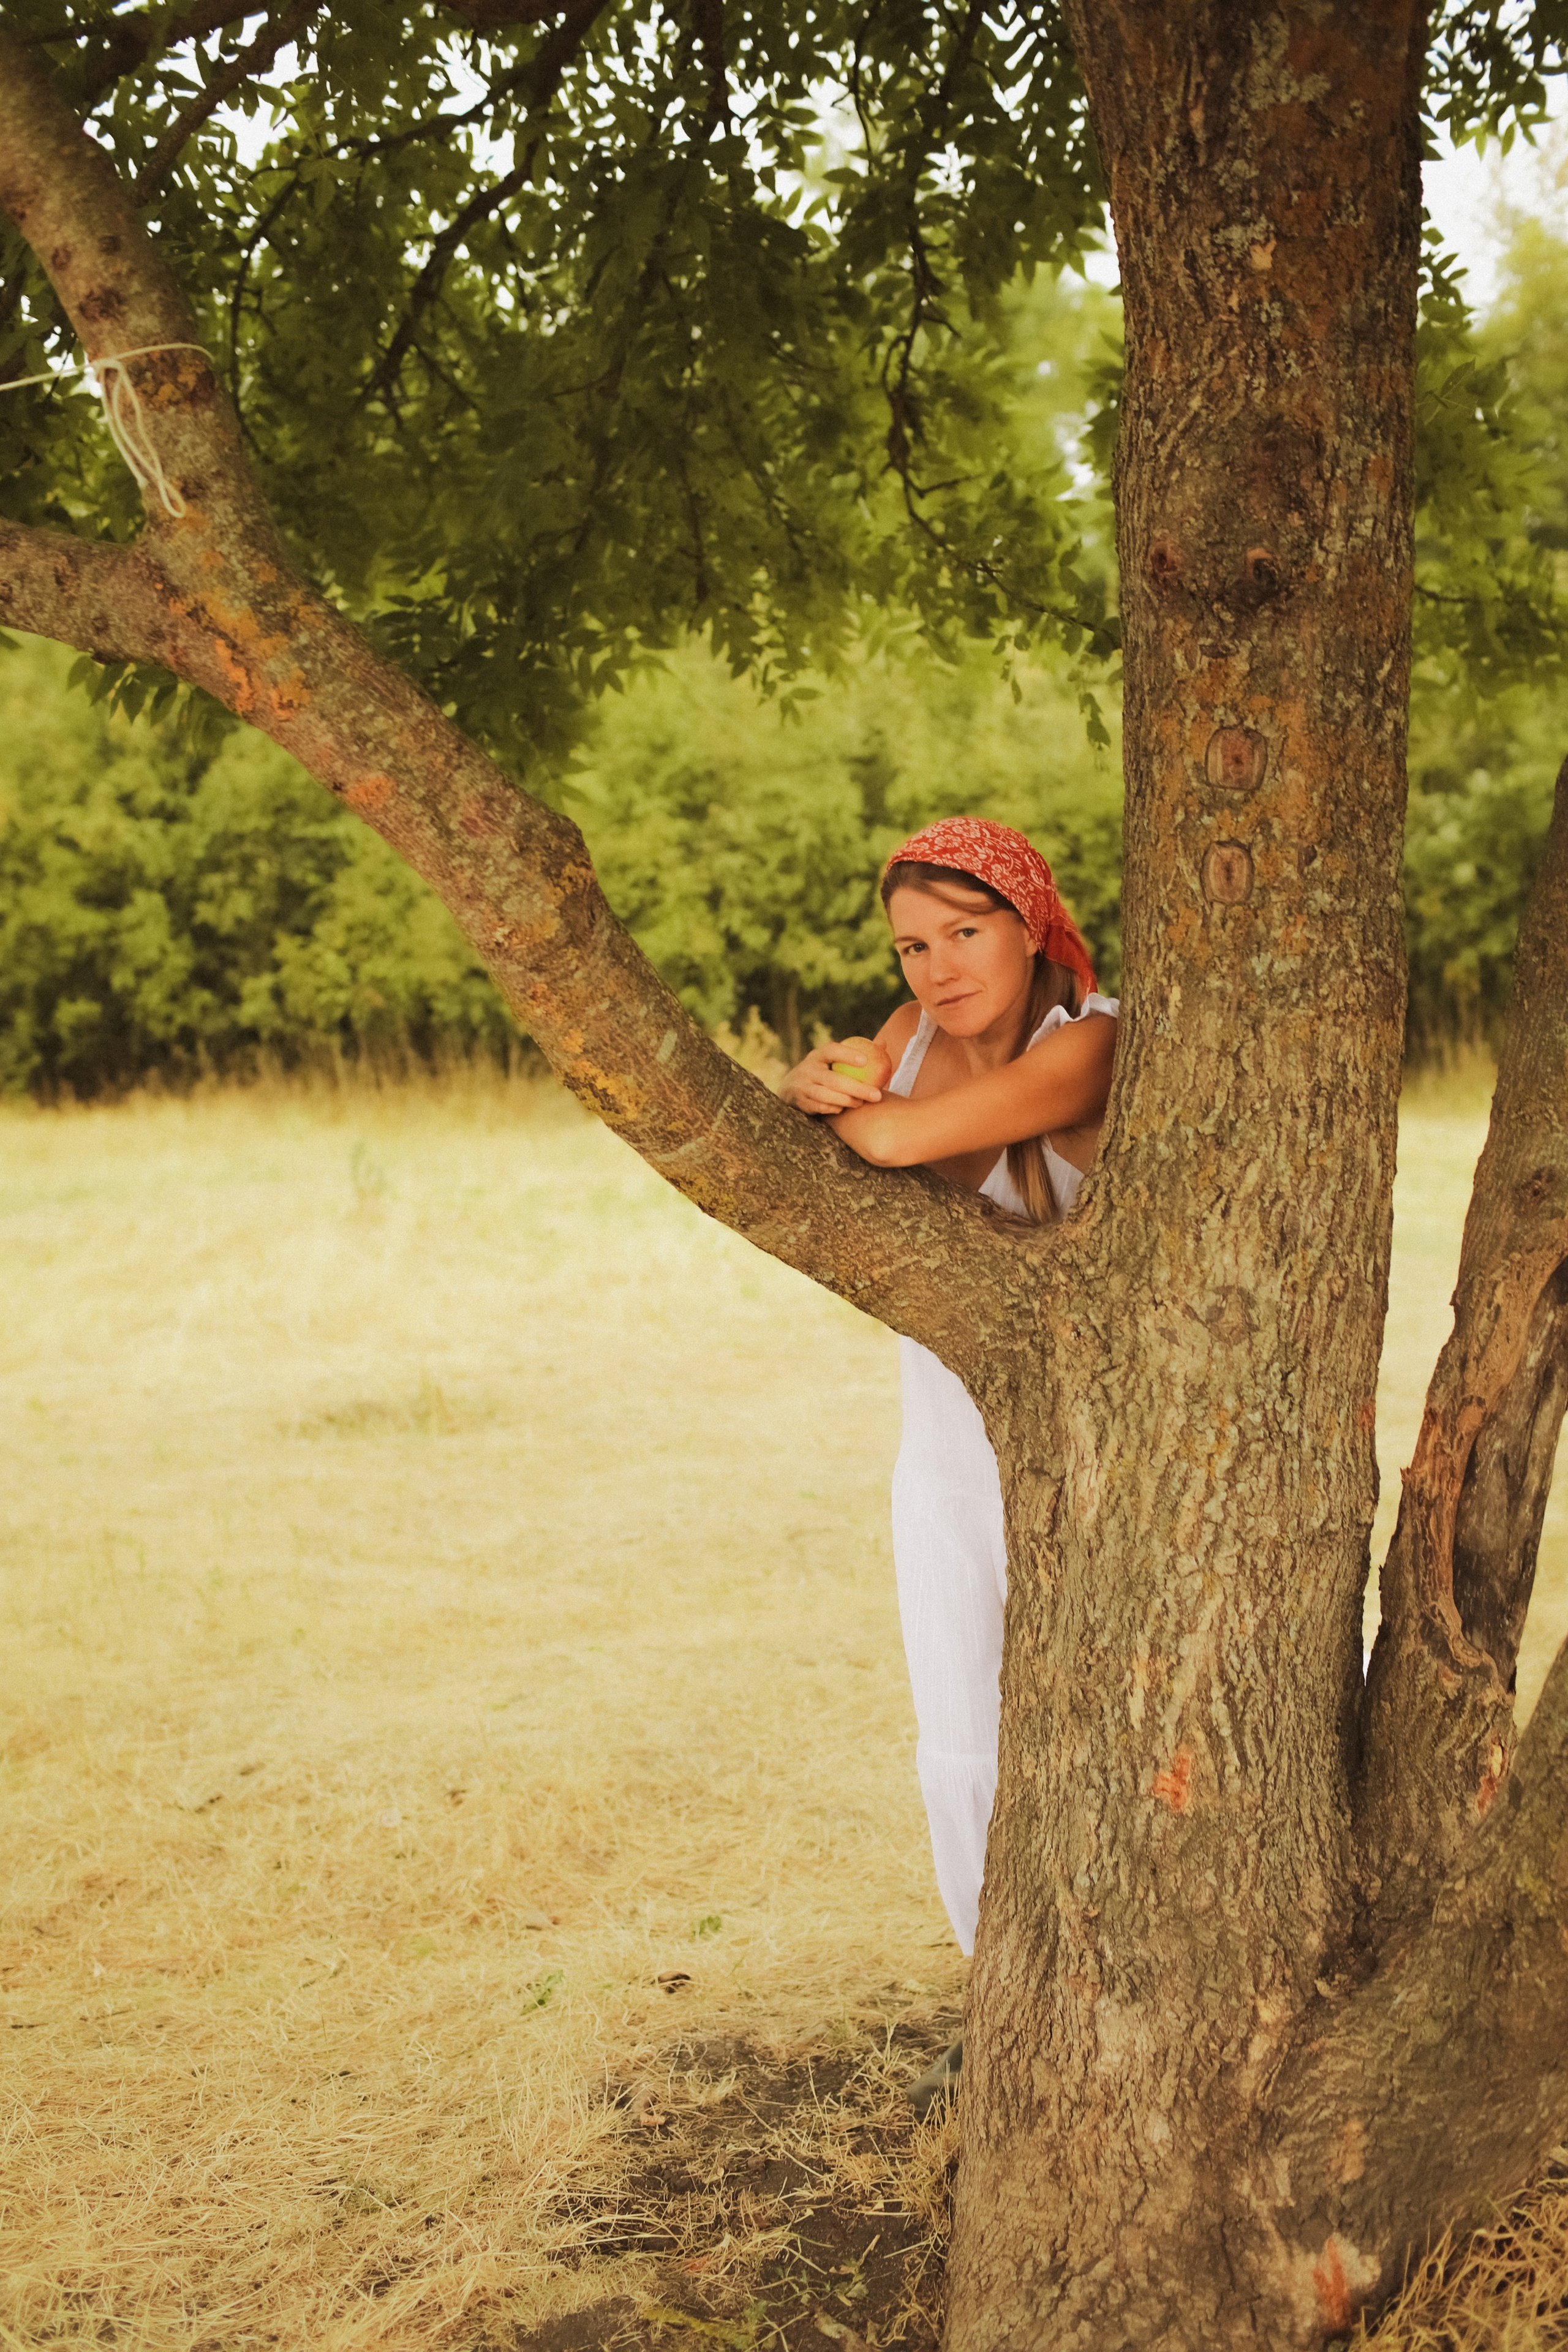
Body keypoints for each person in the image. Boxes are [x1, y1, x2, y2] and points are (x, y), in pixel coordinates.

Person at [780, 817, 1119, 2113]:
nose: (936, 968)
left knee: (1120, 1720)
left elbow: (886, 1144)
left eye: (964, 932)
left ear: (1027, 926)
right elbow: (852, 1099)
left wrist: (843, 1102)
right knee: (964, 1727)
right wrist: (816, 1079)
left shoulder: (1092, 1039)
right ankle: (1003, 1996)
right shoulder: (905, 1037)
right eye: (911, 946)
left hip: (1102, 1456)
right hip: (946, 1446)